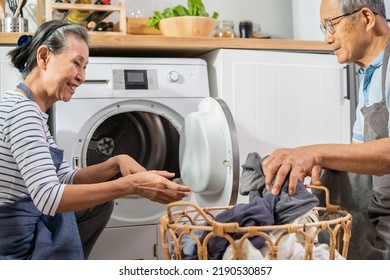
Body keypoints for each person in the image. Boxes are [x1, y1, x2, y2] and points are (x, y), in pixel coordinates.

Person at [0, 20, 191, 260]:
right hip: (10, 244)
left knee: (99, 203)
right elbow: (49, 197)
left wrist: (116, 162)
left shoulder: (32, 110)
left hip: (20, 225)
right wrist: (132, 186)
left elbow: (63, 177)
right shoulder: (23, 112)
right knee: (101, 199)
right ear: (44, 56)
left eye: (85, 67)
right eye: (76, 63)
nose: (81, 77)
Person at [262, 0, 390, 259]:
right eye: (323, 28)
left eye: (331, 25)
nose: (327, 39)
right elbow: (361, 155)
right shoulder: (369, 74)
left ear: (366, 18)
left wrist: (316, 153)